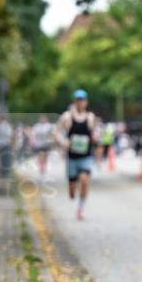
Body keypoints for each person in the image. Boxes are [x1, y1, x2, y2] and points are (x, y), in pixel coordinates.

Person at [55, 89, 100, 221]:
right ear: (74, 102)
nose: (80, 103)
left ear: (86, 102)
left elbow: (96, 133)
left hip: (86, 156)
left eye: (82, 100)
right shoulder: (67, 117)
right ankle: (72, 189)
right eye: (78, 100)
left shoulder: (90, 117)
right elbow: (56, 132)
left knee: (85, 181)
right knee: (72, 189)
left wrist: (95, 138)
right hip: (72, 157)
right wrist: (64, 142)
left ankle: (80, 209)